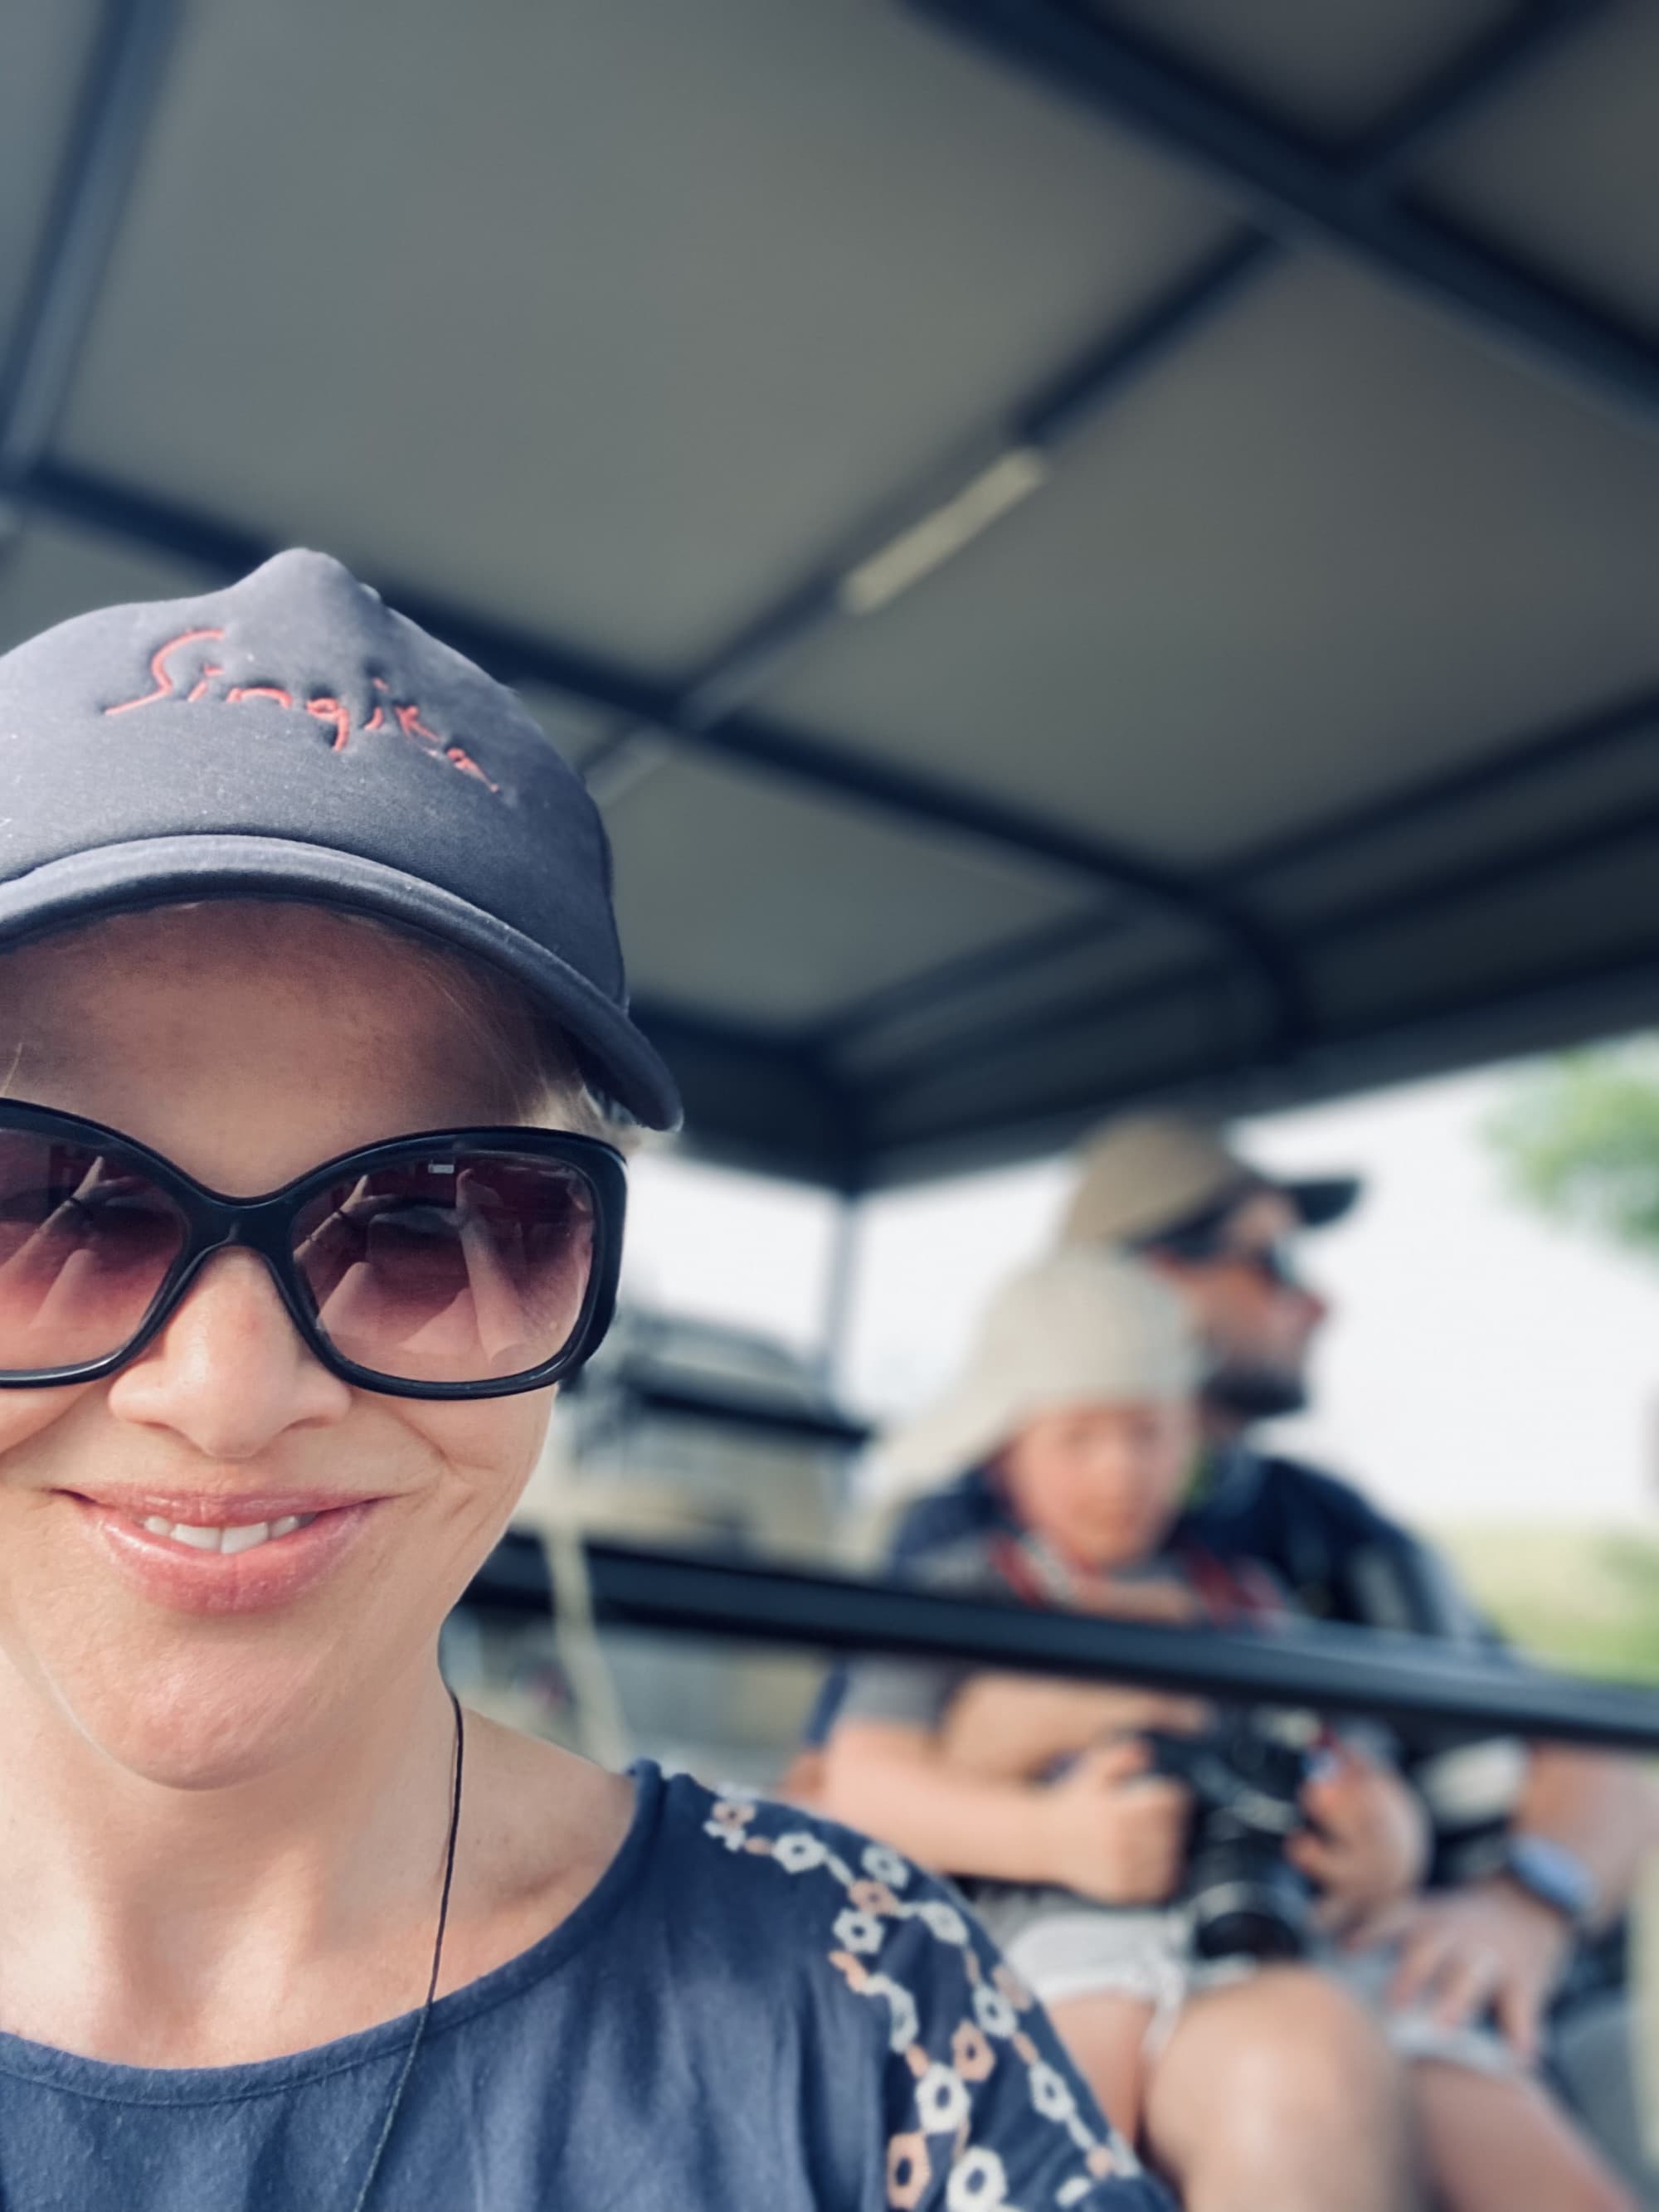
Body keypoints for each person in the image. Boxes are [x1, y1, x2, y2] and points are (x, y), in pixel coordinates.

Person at [0, 552, 1168, 2210]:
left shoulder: (867, 2017)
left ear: (576, 1265)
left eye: (426, 1220)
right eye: (49, 1195)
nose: (230, 1389)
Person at [823, 1251, 1637, 2212]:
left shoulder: (1243, 1603)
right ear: (1006, 1450)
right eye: (1077, 1438)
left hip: (1284, 1923)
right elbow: (862, 1785)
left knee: (1502, 2118)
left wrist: (1383, 1841)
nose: (1118, 1470)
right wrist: (1054, 1838)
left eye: (1148, 1434)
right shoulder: (962, 1595)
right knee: (1043, 2138)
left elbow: (1342, 1758)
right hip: (1065, 1926)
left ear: (1192, 1440)